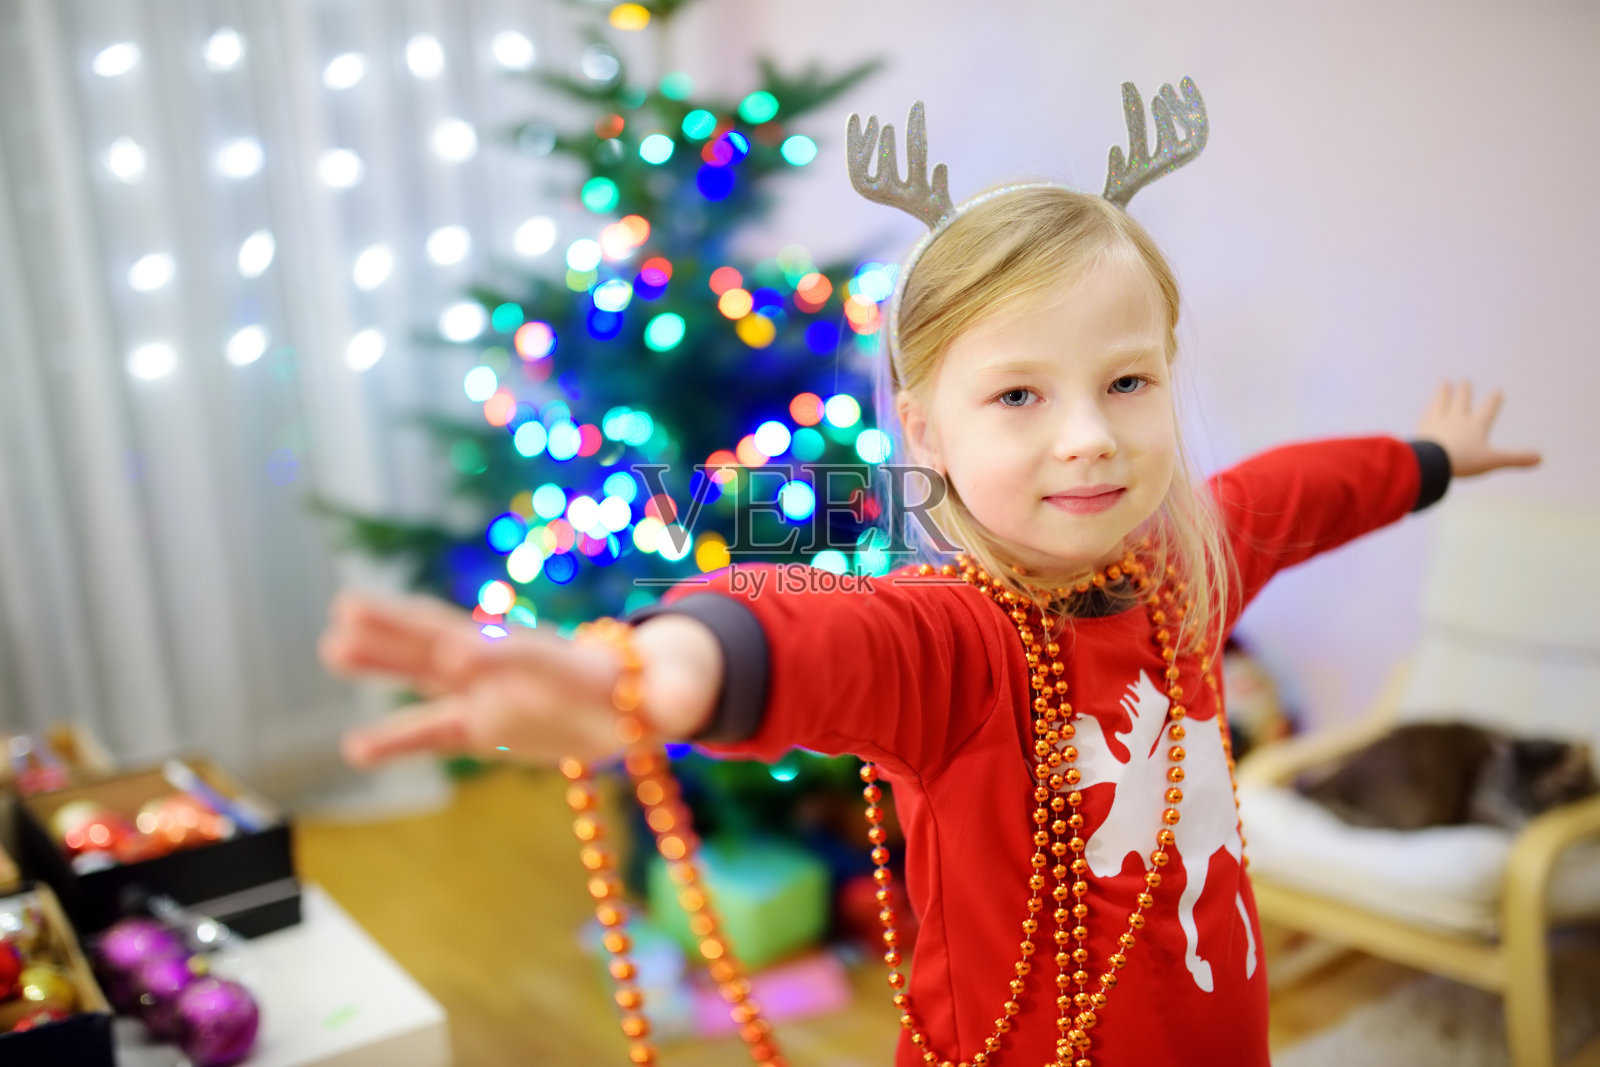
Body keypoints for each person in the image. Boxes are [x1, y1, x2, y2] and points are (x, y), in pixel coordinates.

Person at [319, 93, 1542, 1067]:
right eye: (1018, 394)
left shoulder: (1187, 562)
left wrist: (1432, 458)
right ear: (926, 428)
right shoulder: (957, 640)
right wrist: (652, 673)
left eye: (1127, 381)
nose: (1088, 436)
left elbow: (1305, 490)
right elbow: (802, 630)